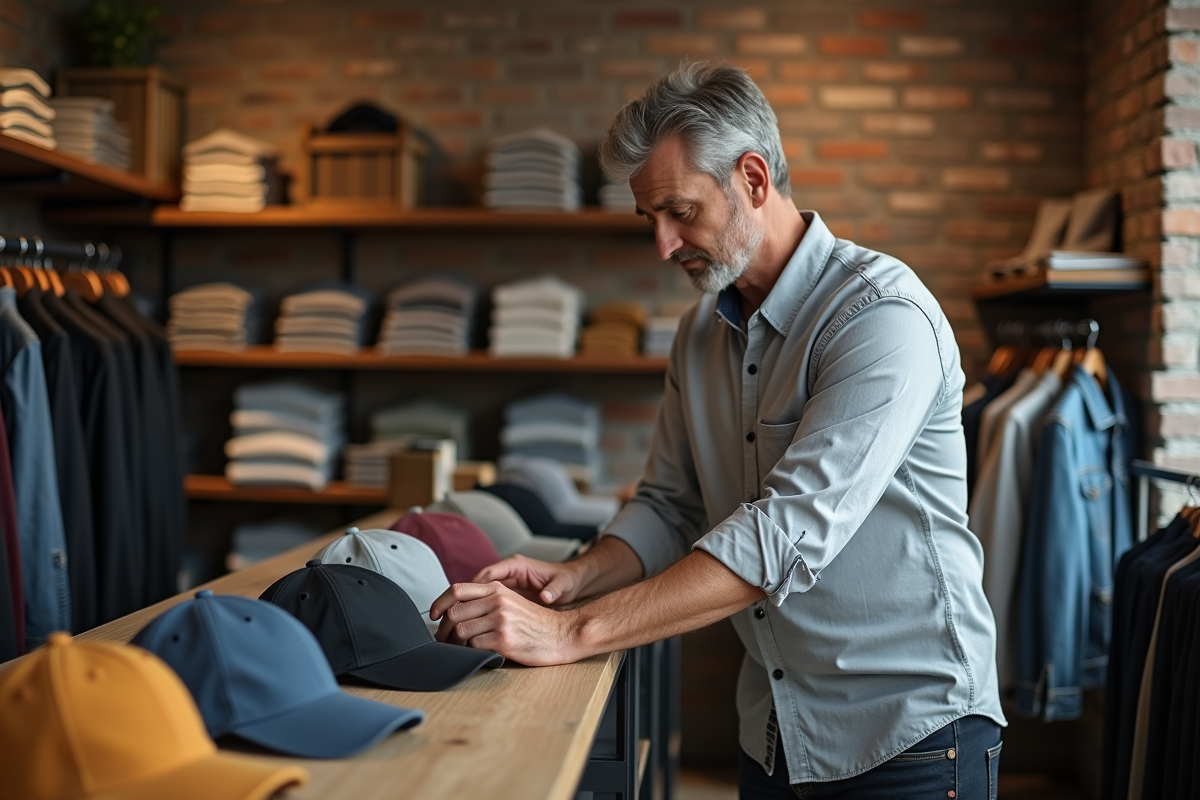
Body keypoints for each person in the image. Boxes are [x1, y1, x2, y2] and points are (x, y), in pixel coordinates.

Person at [431, 61, 1006, 799]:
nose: (663, 246)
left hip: (910, 743)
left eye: (680, 211)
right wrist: (574, 580)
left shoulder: (882, 320)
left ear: (755, 180)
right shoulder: (701, 332)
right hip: (774, 730)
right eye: (650, 220)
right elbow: (670, 502)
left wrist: (570, 632)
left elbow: (787, 531)